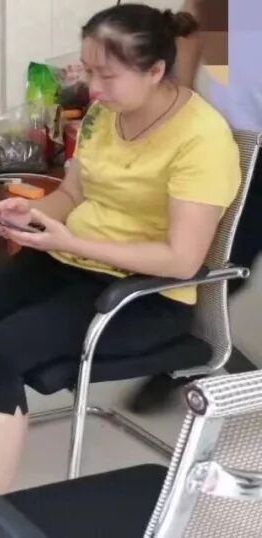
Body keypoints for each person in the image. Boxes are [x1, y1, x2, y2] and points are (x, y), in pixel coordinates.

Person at [0, 4, 240, 498]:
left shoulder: (202, 139)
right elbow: (72, 195)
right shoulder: (104, 115)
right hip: (70, 262)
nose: (93, 89)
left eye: (107, 75)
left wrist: (71, 241)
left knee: (0, 350)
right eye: (89, 71)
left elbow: (182, 260)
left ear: (155, 70)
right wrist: (30, 214)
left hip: (144, 294)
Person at [129, 0, 262, 413]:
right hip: (235, 139)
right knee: (216, 263)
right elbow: (190, 33)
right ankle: (177, 361)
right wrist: (181, 107)